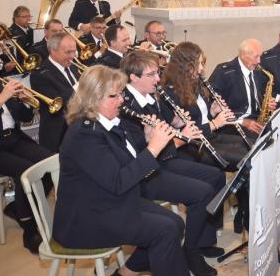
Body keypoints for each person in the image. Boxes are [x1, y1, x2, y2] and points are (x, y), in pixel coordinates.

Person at [53, 65, 190, 276]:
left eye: (121, 94)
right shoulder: (84, 134)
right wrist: (154, 148)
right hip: (87, 217)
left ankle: (126, 271)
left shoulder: (108, 122)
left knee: (175, 222)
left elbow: (126, 161)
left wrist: (146, 139)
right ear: (92, 99)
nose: (121, 100)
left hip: (110, 201)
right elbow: (119, 181)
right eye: (113, 96)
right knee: (165, 230)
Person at [120, 51, 225, 270]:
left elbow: (160, 131)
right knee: (202, 192)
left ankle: (201, 240)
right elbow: (141, 153)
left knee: (215, 176)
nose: (158, 79)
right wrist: (179, 139)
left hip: (163, 161)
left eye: (157, 73)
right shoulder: (127, 107)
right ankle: (190, 251)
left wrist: (176, 125)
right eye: (151, 75)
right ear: (133, 77)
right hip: (144, 174)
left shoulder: (149, 96)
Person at [164, 42, 252, 233]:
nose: (203, 69)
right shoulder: (171, 92)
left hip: (210, 137)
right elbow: (188, 133)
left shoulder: (196, 84)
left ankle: (244, 214)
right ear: (184, 65)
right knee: (247, 161)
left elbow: (201, 116)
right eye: (198, 64)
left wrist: (213, 112)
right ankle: (244, 220)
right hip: (194, 147)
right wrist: (215, 123)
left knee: (253, 148)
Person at [0, 48, 53, 254]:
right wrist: (1, 99)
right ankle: (29, 228)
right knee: (26, 172)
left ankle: (23, 209)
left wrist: (24, 100)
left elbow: (23, 118)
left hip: (13, 138)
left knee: (51, 163)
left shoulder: (0, 85)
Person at [209, 39, 276, 133]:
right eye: (256, 57)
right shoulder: (223, 72)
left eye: (260, 56)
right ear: (244, 55)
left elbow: (259, 98)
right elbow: (213, 106)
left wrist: (267, 104)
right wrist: (242, 122)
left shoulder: (259, 72)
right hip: (233, 127)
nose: (259, 61)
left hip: (256, 122)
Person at [30, 32, 80, 151]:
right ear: (53, 51)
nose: (73, 56)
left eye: (74, 51)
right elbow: (61, 102)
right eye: (68, 52)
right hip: (59, 131)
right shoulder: (40, 74)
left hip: (78, 124)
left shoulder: (72, 66)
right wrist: (84, 85)